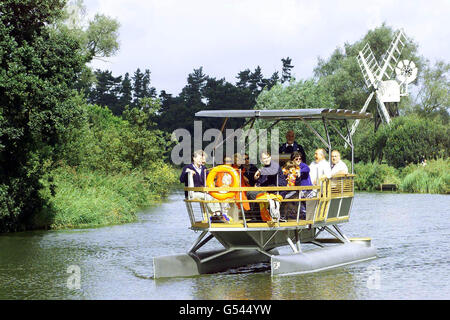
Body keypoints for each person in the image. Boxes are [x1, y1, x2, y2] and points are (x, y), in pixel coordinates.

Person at [179, 150, 222, 219]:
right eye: (199, 158)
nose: (201, 160)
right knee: (207, 197)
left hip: (202, 191)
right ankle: (214, 214)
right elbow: (181, 180)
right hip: (192, 193)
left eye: (201, 159)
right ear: (194, 158)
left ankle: (218, 213)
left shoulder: (204, 168)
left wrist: (214, 175)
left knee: (215, 196)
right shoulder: (188, 167)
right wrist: (188, 172)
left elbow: (209, 178)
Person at [247, 151, 287, 221]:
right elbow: (262, 181)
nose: (266, 160)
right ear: (261, 160)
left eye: (267, 157)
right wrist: (257, 183)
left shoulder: (275, 165)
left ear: (270, 157)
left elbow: (272, 172)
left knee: (253, 193)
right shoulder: (264, 167)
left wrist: (259, 170)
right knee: (250, 192)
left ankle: (258, 217)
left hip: (278, 190)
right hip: (268, 189)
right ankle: (257, 216)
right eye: (264, 158)